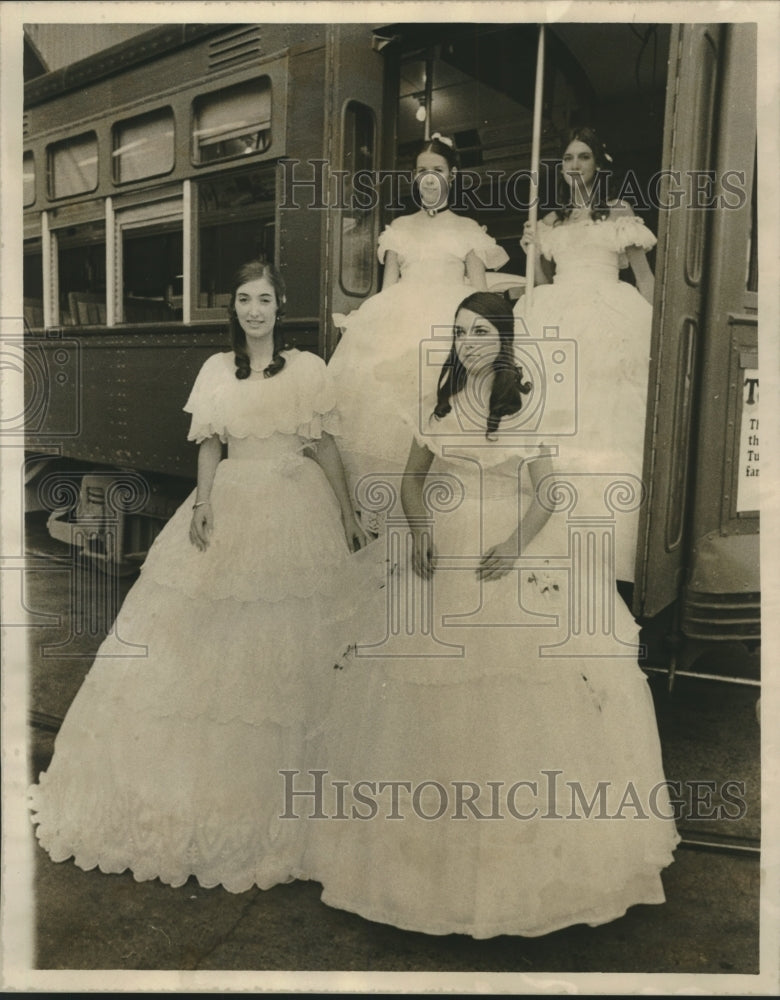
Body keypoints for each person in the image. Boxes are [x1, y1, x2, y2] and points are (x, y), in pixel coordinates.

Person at [299, 292, 678, 938]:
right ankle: (422, 871)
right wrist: (418, 531)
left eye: (481, 332)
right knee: (427, 698)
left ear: (503, 340)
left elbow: (549, 493)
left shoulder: (523, 401)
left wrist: (514, 545)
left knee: (518, 701)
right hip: (444, 553)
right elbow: (414, 483)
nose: (469, 342)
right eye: (461, 332)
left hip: (508, 555)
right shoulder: (440, 404)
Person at [28, 259, 378, 894]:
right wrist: (206, 503)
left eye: (264, 299)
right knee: (209, 645)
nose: (254, 310)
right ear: (234, 310)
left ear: (280, 305)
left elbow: (325, 445)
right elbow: (211, 444)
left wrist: (350, 515)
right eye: (243, 299)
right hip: (234, 503)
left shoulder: (307, 369)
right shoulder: (218, 370)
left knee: (292, 641)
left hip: (296, 507)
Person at [328, 134, 509, 525]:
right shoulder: (398, 228)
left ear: (452, 176)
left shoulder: (466, 228)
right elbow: (388, 286)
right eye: (423, 171)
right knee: (384, 406)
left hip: (448, 322)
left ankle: (433, 515)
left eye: (438, 171)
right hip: (398, 317)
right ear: (415, 177)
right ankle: (384, 519)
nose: (429, 179)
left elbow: (479, 292)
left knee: (435, 405)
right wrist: (368, 329)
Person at [517, 126, 657, 586]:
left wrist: (659, 329)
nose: (574, 165)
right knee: (557, 417)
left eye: (583, 157)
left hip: (607, 314)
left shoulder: (618, 213)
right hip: (557, 310)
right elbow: (538, 281)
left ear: (599, 165)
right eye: (568, 158)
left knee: (607, 420)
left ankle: (608, 556)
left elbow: (645, 279)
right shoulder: (551, 222)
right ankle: (553, 544)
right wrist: (530, 252)